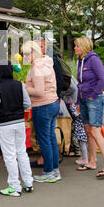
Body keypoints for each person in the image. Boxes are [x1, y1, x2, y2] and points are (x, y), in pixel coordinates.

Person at [0, 60, 33, 197]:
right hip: (19, 122)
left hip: (5, 125)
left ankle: (14, 186)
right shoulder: (19, 85)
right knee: (22, 152)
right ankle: (28, 182)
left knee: (9, 156)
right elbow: (27, 103)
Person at [74, 36, 104, 178]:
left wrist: (93, 94)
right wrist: (78, 102)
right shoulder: (80, 60)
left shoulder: (93, 59)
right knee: (88, 131)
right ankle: (92, 162)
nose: (75, 48)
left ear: (84, 46)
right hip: (84, 100)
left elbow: (103, 79)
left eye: (77, 46)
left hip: (94, 100)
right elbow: (80, 83)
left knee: (95, 131)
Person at [23, 40, 61, 183]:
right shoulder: (46, 63)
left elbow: (38, 91)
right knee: (50, 138)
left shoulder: (37, 68)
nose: (25, 57)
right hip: (52, 103)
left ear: (34, 52)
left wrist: (24, 87)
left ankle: (49, 171)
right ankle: (54, 170)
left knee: (45, 140)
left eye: (27, 53)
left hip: (43, 105)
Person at [62, 76, 88, 164]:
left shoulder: (77, 105)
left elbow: (73, 88)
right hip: (81, 127)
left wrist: (61, 93)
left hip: (80, 128)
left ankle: (81, 155)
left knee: (80, 140)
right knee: (83, 140)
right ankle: (83, 155)